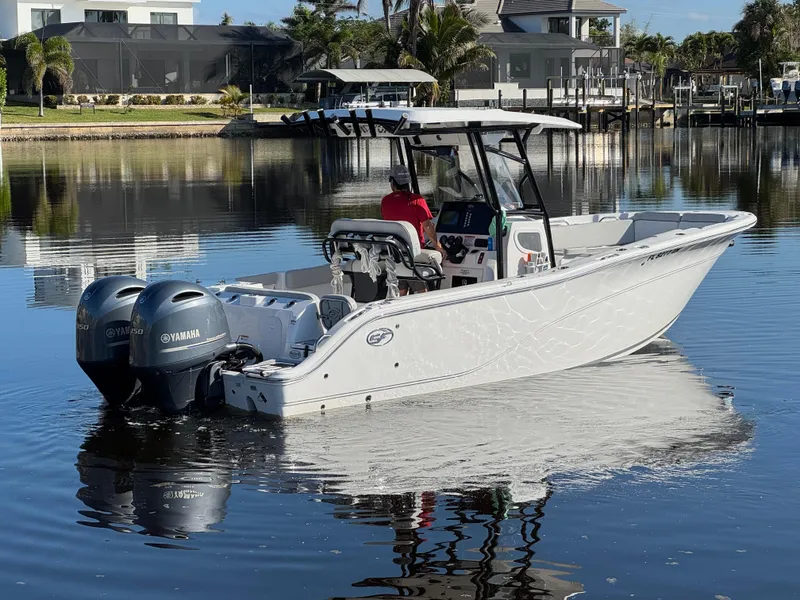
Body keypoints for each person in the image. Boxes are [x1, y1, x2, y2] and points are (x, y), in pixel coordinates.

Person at [381, 165, 446, 294]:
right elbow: (428, 226)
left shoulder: (385, 201)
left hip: (395, 255)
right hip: (414, 257)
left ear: (393, 183)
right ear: (408, 182)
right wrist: (438, 246)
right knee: (422, 291)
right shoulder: (417, 201)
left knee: (402, 291)